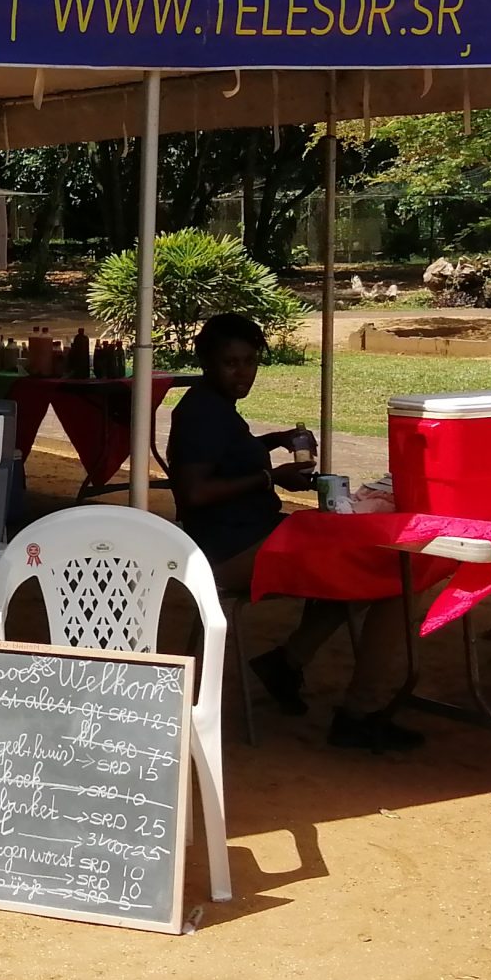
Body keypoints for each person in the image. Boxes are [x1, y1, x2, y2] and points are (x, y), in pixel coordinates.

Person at [168, 312, 427, 752]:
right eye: (231, 363)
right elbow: (194, 491)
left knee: (358, 564)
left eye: (250, 362)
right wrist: (271, 478)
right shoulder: (201, 413)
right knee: (393, 576)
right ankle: (359, 712)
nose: (242, 373)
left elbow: (226, 455)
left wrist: (273, 440)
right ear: (206, 362)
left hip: (252, 535)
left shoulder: (213, 406)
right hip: (230, 550)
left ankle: (288, 662)